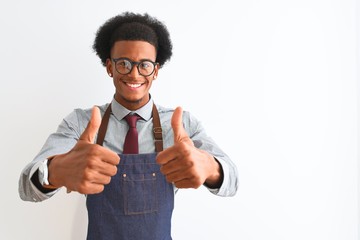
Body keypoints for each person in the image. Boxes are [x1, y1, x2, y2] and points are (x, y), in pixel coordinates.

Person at [18, 12, 238, 239]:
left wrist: (211, 168)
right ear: (109, 67)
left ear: (156, 70)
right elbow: (26, 187)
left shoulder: (180, 124)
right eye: (123, 63)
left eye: (144, 65)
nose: (134, 73)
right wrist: (55, 171)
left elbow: (233, 181)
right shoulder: (81, 122)